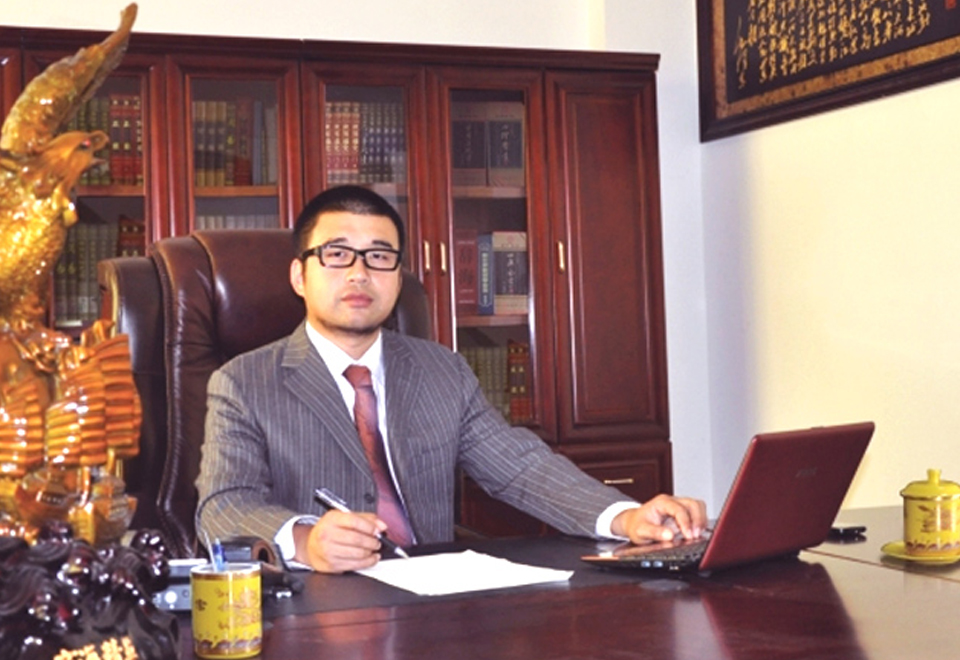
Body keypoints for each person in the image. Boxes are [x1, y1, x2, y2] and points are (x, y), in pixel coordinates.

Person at [195, 185, 706, 573]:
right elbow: (223, 505)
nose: (359, 273)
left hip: (433, 600)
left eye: (379, 256)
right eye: (336, 254)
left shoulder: (443, 370)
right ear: (299, 276)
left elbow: (520, 468)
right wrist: (305, 541)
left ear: (398, 277)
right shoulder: (243, 382)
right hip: (319, 610)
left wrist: (625, 517)